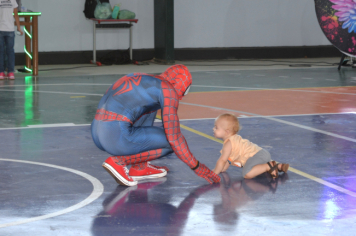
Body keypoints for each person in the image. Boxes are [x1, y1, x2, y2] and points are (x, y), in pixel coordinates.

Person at [91, 64, 220, 186]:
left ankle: (140, 167)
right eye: (185, 90)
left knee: (150, 109)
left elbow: (140, 114)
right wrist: (196, 166)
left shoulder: (148, 80)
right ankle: (119, 162)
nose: (181, 96)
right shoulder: (168, 90)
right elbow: (174, 138)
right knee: (172, 143)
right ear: (180, 84)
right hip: (113, 136)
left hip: (98, 132)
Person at [212, 113, 289, 179]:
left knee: (247, 173)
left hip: (257, 156)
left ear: (226, 131)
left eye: (216, 127)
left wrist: (214, 173)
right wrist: (222, 169)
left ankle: (268, 166)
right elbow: (228, 160)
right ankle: (279, 166)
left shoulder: (228, 144)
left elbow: (222, 160)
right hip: (262, 154)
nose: (213, 129)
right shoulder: (234, 139)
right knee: (256, 166)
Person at [0, 0, 23, 80]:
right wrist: (19, 28)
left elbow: (16, 15)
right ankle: (4, 72)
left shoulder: (13, 1)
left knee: (8, 51)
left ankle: (8, 72)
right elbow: (16, 15)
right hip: (2, 29)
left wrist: (19, 28)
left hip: (10, 29)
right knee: (4, 51)